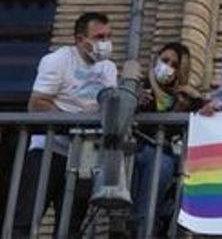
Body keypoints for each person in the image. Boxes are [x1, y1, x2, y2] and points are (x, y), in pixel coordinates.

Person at [14, 12, 118, 237]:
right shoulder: (58, 60)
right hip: (49, 150)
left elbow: (108, 107)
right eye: (99, 37)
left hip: (84, 156)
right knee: (27, 218)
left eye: (109, 36)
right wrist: (73, 126)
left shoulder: (109, 68)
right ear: (81, 40)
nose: (105, 43)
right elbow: (37, 103)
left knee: (70, 226)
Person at [130, 43, 203, 237]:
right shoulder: (141, 87)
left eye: (175, 64)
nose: (168, 66)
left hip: (170, 158)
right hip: (139, 153)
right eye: (165, 60)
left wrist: (194, 98)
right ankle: (144, 227)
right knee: (162, 164)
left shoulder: (183, 98)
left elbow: (206, 109)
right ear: (156, 59)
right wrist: (135, 101)